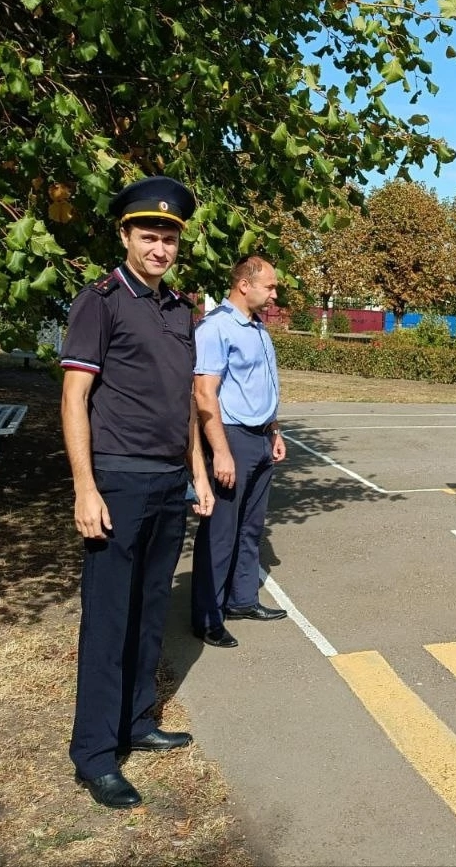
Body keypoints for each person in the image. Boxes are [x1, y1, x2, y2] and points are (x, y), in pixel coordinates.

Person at [61, 175, 214, 810]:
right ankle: (95, 754)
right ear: (124, 235)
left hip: (167, 481)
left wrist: (198, 472)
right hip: (117, 480)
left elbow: (183, 405)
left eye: (169, 236)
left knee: (151, 609)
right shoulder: (101, 301)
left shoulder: (179, 309)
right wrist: (85, 488)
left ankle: (137, 720)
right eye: (149, 234)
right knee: (109, 620)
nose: (160, 246)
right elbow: (73, 399)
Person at [191, 254, 288, 647]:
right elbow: (203, 393)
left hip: (262, 438)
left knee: (250, 527)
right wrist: (222, 452)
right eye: (270, 286)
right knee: (220, 531)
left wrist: (275, 431)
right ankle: (207, 617)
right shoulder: (216, 329)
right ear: (244, 284)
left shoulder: (257, 327)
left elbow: (262, 386)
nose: (275, 293)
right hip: (232, 438)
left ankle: (241, 599)